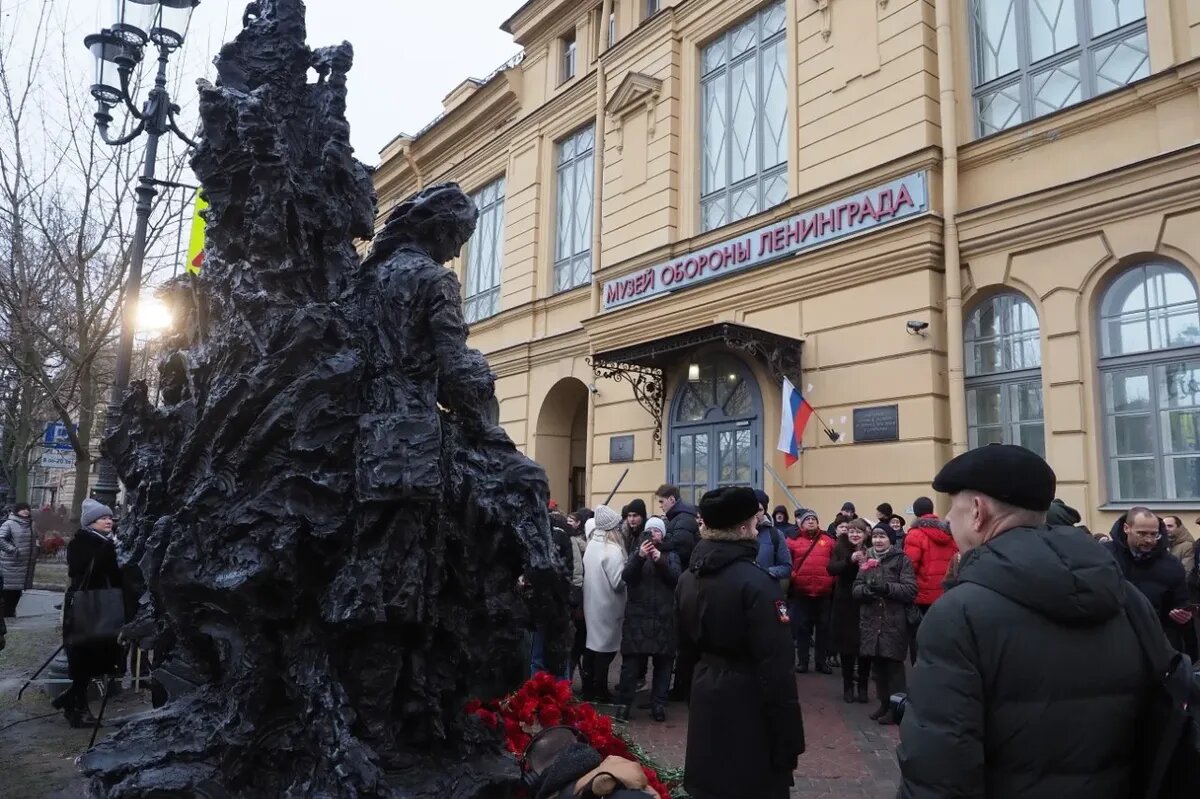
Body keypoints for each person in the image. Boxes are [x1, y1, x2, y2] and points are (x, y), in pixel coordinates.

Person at [899, 444, 1172, 799]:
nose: (949, 519)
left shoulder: (957, 613)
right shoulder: (1126, 596)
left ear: (978, 511)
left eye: (954, 506)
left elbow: (938, 770)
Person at [675, 486, 805, 799]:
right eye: (755, 520)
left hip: (706, 692)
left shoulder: (688, 579)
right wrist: (789, 740)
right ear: (745, 527)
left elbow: (684, 649)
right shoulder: (758, 583)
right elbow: (777, 668)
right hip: (750, 703)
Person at [52, 499, 130, 728]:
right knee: (84, 658)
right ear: (90, 523)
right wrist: (110, 548)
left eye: (109, 517)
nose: (108, 521)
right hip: (87, 608)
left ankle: (71, 701)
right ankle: (77, 708)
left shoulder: (112, 541)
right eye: (102, 518)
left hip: (106, 606)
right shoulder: (82, 542)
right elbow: (83, 567)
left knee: (98, 659)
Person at [614, 517, 680, 723]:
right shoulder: (636, 552)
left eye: (657, 531)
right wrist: (640, 557)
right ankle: (624, 705)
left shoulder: (671, 555)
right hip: (638, 619)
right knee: (631, 666)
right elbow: (627, 577)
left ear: (663, 534)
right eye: (650, 530)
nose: (653, 534)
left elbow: (676, 579)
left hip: (663, 618)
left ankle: (658, 705)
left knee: (663, 665)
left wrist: (660, 560)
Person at [1105, 509, 1194, 660]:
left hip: (1155, 644)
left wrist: (1183, 615)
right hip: (1112, 642)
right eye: (1142, 533)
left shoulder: (1171, 565)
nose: (1149, 540)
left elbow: (1181, 602)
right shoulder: (1104, 556)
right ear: (1127, 528)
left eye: (1154, 534)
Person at [853, 526, 916, 724]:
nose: (879, 540)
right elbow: (856, 588)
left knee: (893, 667)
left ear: (890, 539)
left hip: (893, 620)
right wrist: (865, 591)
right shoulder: (866, 559)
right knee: (878, 667)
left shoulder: (901, 559)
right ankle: (883, 703)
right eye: (876, 537)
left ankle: (897, 708)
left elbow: (910, 589)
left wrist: (887, 588)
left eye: (883, 537)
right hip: (872, 620)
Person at [656, 483, 699, 700]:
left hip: (682, 584)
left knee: (683, 641)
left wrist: (660, 544)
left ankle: (683, 687)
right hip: (683, 583)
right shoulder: (680, 518)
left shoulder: (682, 520)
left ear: (672, 499)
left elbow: (681, 549)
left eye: (662, 501)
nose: (661, 505)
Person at [902, 498, 956, 664]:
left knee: (918, 637)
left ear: (916, 513)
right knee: (942, 637)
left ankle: (920, 675)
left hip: (921, 596)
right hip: (946, 594)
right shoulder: (950, 532)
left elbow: (910, 566)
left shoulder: (915, 534)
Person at [581, 504, 627, 701]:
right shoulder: (613, 550)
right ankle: (600, 690)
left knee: (592, 648)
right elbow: (618, 582)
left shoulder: (592, 544)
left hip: (592, 603)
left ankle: (589, 688)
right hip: (608, 606)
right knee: (606, 651)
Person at [827, 518, 871, 704]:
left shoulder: (871, 547)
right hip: (845, 604)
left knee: (865, 648)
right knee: (847, 648)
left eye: (858, 531)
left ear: (865, 533)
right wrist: (849, 560)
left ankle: (863, 687)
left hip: (866, 602)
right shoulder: (840, 547)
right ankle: (848, 687)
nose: (854, 534)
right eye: (851, 531)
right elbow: (831, 569)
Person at [786, 509, 835, 674]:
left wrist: (831, 580)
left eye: (814, 519)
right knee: (802, 629)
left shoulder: (828, 540)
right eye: (808, 520)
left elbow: (834, 562)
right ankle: (803, 662)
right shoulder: (792, 541)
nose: (811, 522)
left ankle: (822, 662)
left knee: (823, 629)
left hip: (823, 592)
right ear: (801, 523)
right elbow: (787, 562)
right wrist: (793, 575)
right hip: (802, 592)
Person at [0, 502, 36, 617]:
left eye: (27, 509)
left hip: (24, 564)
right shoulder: (9, 523)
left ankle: (10, 612)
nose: (25, 511)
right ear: (16, 511)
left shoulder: (31, 524)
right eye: (22, 509)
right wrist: (13, 550)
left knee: (17, 590)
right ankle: (6, 613)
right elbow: (1, 539)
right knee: (8, 590)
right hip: (10, 563)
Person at [566, 510, 590, 682]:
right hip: (578, 598)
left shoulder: (576, 542)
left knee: (577, 641)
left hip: (577, 598)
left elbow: (577, 573)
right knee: (577, 642)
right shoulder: (577, 541)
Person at [754, 491, 792, 590]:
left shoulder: (775, 534)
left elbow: (786, 567)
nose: (755, 513)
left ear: (764, 511)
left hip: (765, 592)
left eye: (759, 510)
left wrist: (765, 571)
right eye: (751, 509)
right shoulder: (737, 533)